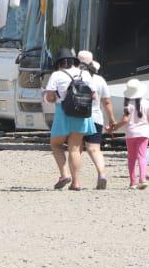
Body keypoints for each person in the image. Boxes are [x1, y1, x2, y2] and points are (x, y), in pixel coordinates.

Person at [44, 48, 97, 191]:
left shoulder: (56, 75)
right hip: (81, 113)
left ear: (58, 63)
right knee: (74, 148)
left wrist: (55, 96)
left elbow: (50, 97)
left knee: (56, 145)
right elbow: (93, 95)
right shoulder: (85, 74)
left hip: (63, 112)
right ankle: (76, 183)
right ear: (74, 61)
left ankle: (64, 175)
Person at [77, 50, 115, 190]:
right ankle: (102, 174)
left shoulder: (74, 75)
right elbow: (107, 102)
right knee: (94, 149)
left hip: (77, 117)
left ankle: (75, 180)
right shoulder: (99, 80)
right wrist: (111, 120)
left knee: (77, 149)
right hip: (96, 117)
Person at [117, 78, 149, 189]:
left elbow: (125, 120)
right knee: (142, 157)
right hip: (143, 133)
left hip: (130, 133)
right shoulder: (147, 103)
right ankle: (143, 179)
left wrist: (114, 127)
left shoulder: (127, 104)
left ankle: (132, 182)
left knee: (131, 158)